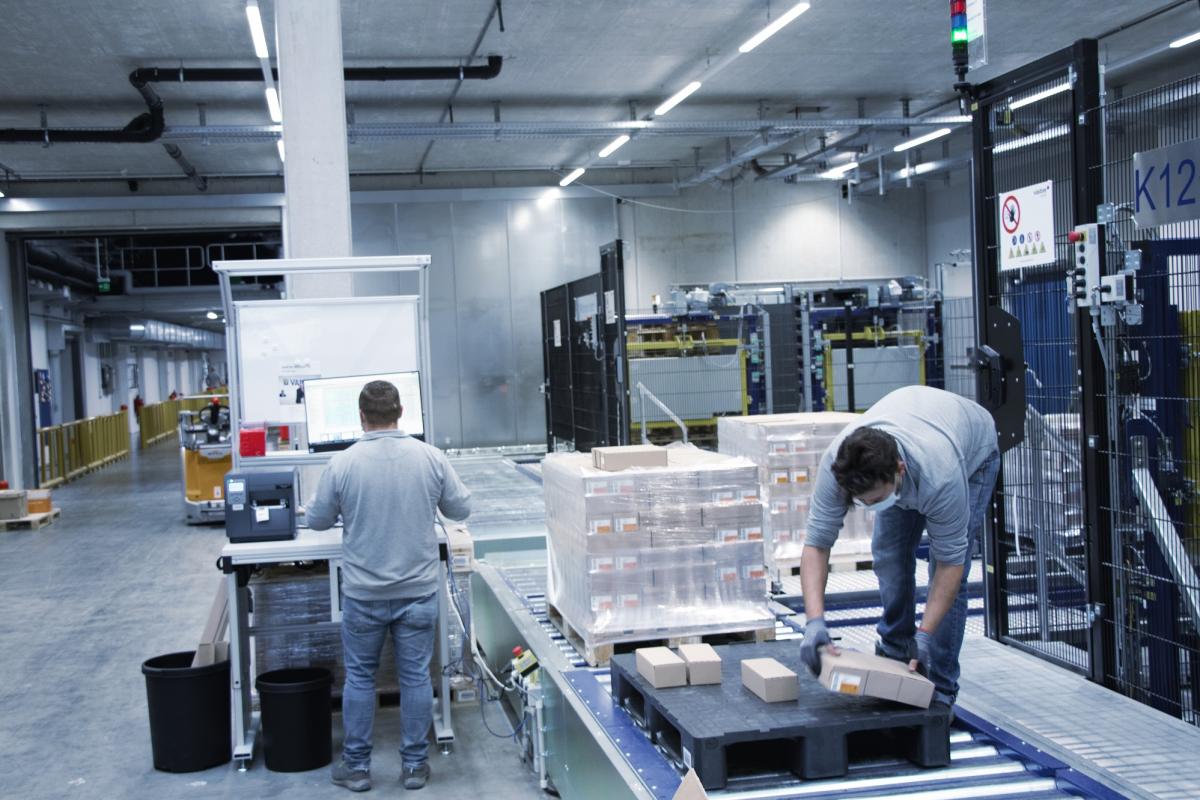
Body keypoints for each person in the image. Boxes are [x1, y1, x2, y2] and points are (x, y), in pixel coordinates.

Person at [306, 380, 471, 792]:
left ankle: (358, 769)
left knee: (360, 679)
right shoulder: (430, 458)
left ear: (361, 417)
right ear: (401, 415)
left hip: (364, 594)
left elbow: (316, 521)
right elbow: (460, 508)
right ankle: (414, 767)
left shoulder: (342, 464)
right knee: (415, 676)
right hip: (417, 592)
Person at [797, 385, 999, 712]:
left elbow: (950, 565)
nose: (868, 506)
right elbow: (816, 545)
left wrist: (926, 635)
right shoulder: (837, 466)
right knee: (889, 557)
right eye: (860, 502)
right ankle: (894, 653)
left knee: (947, 572)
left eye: (875, 500)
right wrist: (814, 621)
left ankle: (942, 685)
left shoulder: (942, 477)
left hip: (973, 450)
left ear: (898, 470)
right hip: (914, 428)